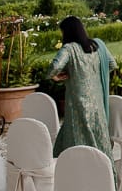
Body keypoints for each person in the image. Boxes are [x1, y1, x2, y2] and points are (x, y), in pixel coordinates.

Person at [47, 16, 117, 160]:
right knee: (98, 136)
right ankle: (103, 169)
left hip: (78, 102)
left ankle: (77, 167)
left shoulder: (69, 49)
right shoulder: (96, 46)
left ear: (67, 32)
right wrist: (96, 76)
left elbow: (54, 67)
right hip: (97, 101)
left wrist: (54, 77)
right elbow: (111, 64)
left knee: (78, 135)